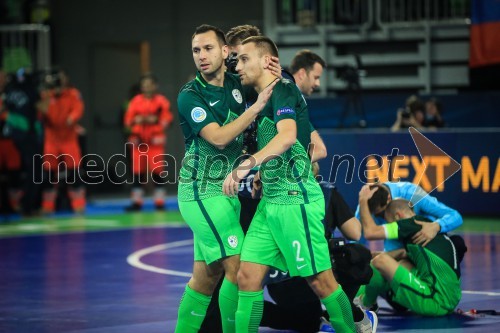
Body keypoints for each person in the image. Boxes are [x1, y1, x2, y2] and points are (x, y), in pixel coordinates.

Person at [222, 36, 355, 333]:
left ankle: (353, 327)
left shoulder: (283, 89)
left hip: (296, 200)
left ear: (265, 60)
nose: (238, 66)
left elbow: (287, 138)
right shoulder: (263, 96)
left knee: (322, 281)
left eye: (244, 59)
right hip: (270, 202)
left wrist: (246, 165)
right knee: (247, 278)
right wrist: (263, 172)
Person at [174, 24, 275, 333]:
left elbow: (265, 82)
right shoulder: (190, 96)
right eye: (196, 50)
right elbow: (218, 138)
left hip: (225, 191)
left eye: (208, 49)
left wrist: (271, 66)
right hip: (200, 192)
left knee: (206, 279)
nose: (201, 56)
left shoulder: (235, 82)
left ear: (225, 52)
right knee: (240, 267)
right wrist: (255, 109)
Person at [357, 189, 466, 316]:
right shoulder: (426, 227)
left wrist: (363, 200)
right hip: (449, 298)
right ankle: (374, 294)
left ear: (398, 217)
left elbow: (371, 232)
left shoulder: (408, 224)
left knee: (379, 262)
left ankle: (365, 303)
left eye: (389, 222)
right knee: (400, 263)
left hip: (436, 301)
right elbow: (403, 253)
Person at [355, 181, 463, 251]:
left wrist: (436, 226)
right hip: (399, 245)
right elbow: (356, 240)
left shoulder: (414, 194)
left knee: (457, 244)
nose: (382, 218)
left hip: (427, 243)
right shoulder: (364, 206)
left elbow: (455, 216)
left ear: (389, 199)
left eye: (381, 214)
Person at [123, 73, 173, 211]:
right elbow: (127, 121)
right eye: (144, 85)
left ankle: (159, 202)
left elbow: (167, 119)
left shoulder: (162, 101)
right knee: (137, 173)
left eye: (150, 84)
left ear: (155, 86)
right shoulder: (135, 101)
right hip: (138, 143)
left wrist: (156, 120)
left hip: (156, 143)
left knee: (158, 172)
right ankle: (136, 203)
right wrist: (136, 121)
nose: (147, 87)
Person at [38, 69, 86, 214]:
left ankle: (78, 204)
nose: (59, 85)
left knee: (74, 172)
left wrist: (72, 118)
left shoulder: (73, 94)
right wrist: (46, 96)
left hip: (69, 139)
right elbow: (41, 113)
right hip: (51, 139)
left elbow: (78, 109)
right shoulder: (46, 95)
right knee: (49, 174)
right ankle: (48, 206)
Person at [3, 68, 42, 216]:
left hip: (14, 135)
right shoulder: (30, 89)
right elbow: (42, 108)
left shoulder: (10, 90)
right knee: (35, 171)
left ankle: (21, 204)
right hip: (26, 135)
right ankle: (27, 206)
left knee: (21, 171)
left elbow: (6, 108)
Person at [0, 69, 22, 213]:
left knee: (14, 175)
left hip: (11, 141)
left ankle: (15, 204)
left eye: (3, 77)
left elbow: (18, 117)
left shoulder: (12, 94)